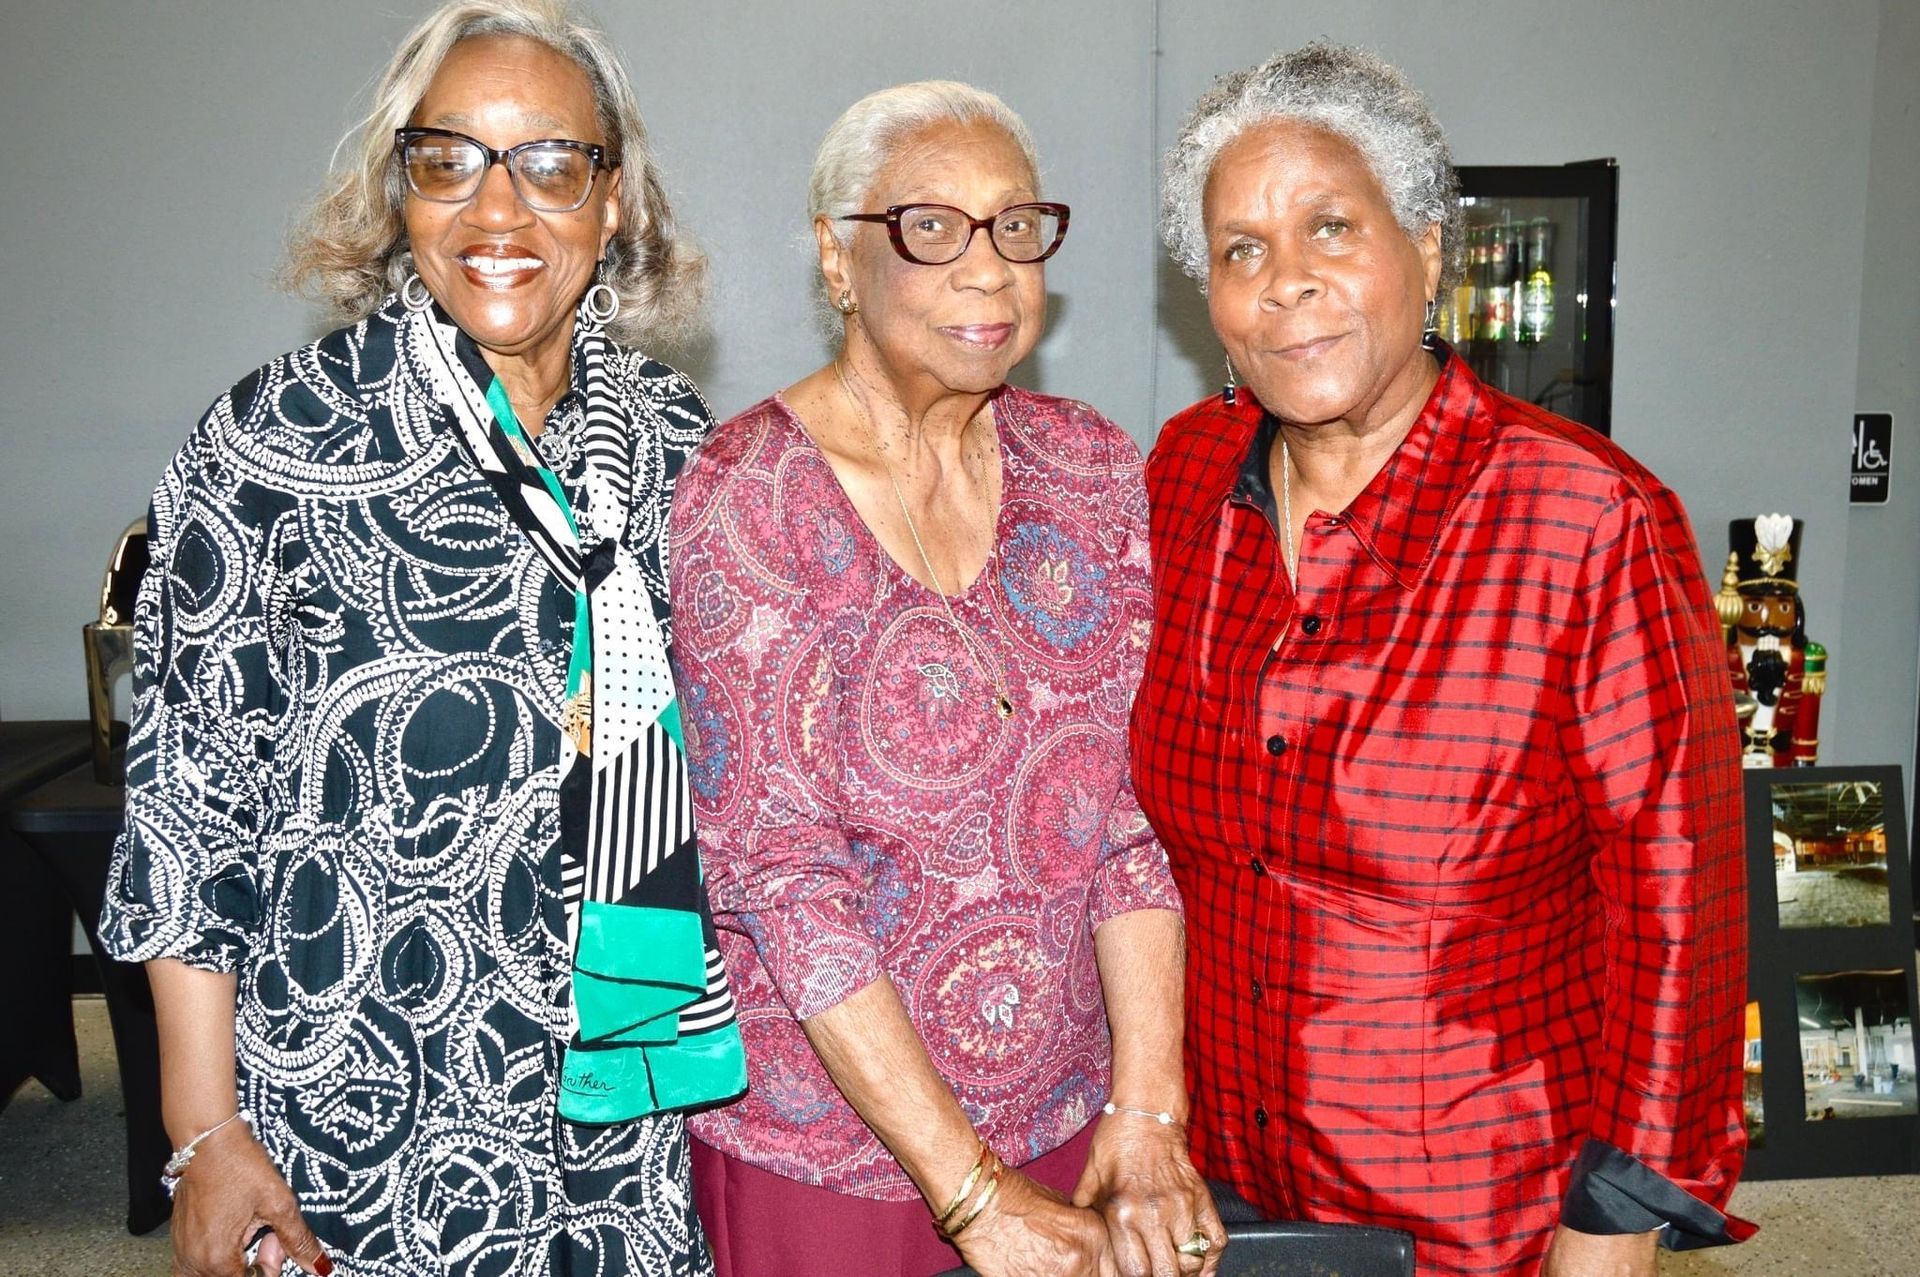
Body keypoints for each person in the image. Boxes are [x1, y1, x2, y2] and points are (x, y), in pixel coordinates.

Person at [98, 3, 743, 1274]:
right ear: (401, 192)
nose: (498, 211)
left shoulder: (678, 443)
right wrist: (201, 1131)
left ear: (615, 202)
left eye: (552, 163)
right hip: (362, 1126)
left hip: (619, 1126)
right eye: (450, 159)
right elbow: (186, 814)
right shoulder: (273, 447)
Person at [1131, 43, 1753, 1277]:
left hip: (1481, 1214)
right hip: (1219, 1191)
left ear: (1428, 247)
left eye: (1330, 228)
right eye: (1241, 251)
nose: (1285, 284)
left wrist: (1615, 1225)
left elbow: (1681, 907)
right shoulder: (1183, 474)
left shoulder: (1588, 520)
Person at [668, 81, 1224, 1277]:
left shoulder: (1086, 464)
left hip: (1075, 1113)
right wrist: (974, 1195)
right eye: (932, 227)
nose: (990, 269)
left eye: (1017, 227)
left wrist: (1147, 1110)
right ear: (837, 256)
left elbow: (1124, 819)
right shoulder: (749, 493)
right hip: (838, 1153)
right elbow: (782, 879)